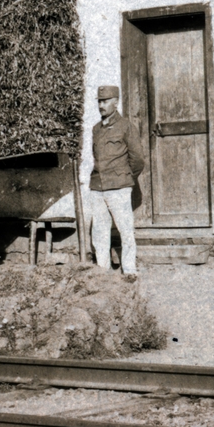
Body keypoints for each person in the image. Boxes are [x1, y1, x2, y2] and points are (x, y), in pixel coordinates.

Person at [87, 84, 144, 281]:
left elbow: (137, 159)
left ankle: (129, 270)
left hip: (118, 187)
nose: (101, 105)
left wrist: (125, 179)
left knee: (125, 229)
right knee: (99, 230)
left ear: (116, 102)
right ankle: (102, 270)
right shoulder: (96, 129)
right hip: (98, 187)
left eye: (105, 101)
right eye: (99, 102)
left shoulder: (126, 126)